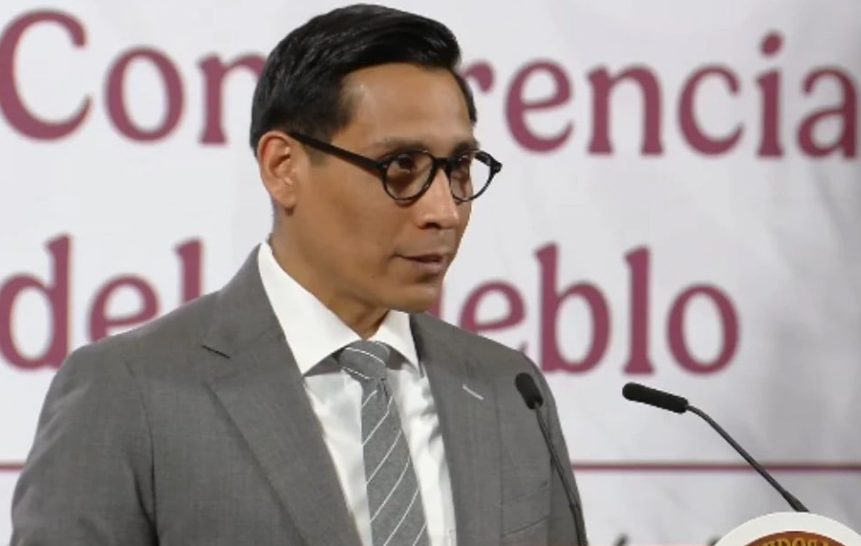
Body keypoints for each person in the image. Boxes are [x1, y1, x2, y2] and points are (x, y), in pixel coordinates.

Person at [11, 4, 588, 545]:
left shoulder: (510, 389)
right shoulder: (130, 389)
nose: (444, 210)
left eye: (458, 166)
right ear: (283, 167)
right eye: (402, 166)